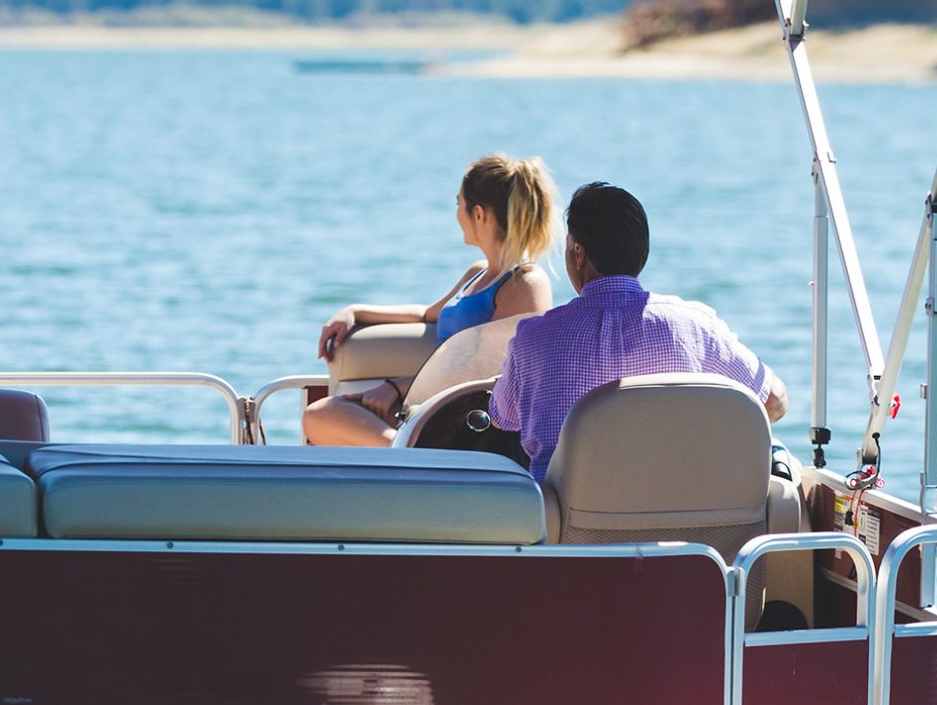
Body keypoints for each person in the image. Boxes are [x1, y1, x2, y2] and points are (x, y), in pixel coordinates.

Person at [487, 181, 784, 470]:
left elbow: (502, 417)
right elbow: (773, 401)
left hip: (570, 518)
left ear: (578, 254)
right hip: (682, 515)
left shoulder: (534, 338)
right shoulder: (696, 326)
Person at [304, 155, 558, 446]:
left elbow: (489, 369)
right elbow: (427, 314)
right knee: (321, 414)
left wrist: (396, 388)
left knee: (325, 416)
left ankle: (412, 457)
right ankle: (408, 454)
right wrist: (354, 312)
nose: (456, 213)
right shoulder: (478, 273)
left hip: (471, 419)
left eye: (458, 204)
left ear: (478, 214)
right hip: (432, 407)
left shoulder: (526, 284)